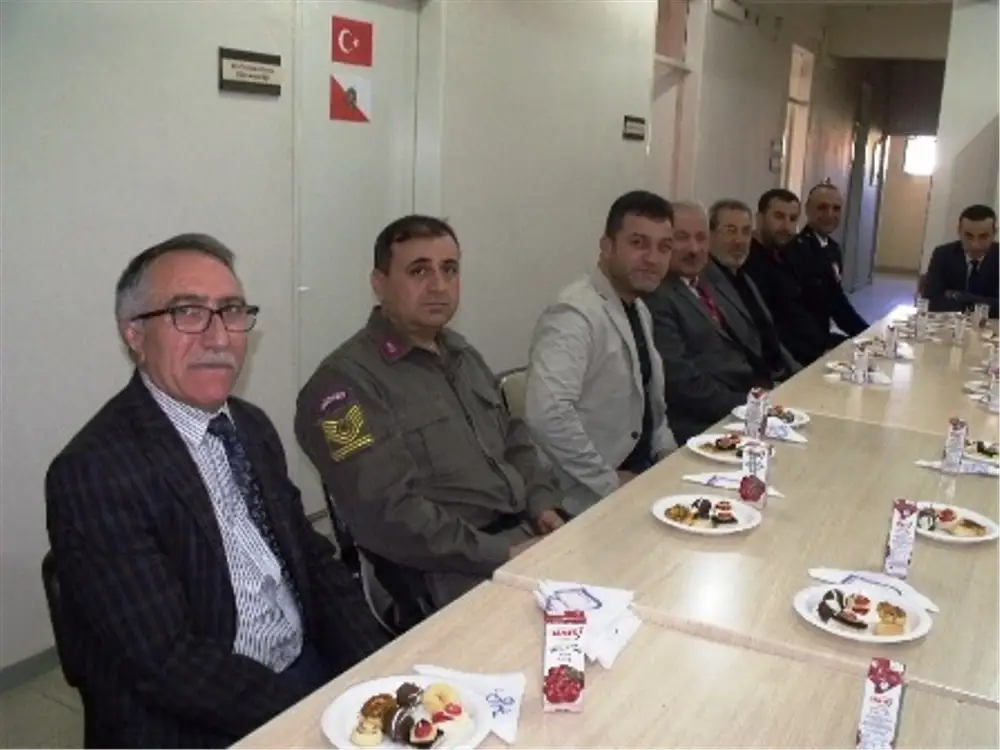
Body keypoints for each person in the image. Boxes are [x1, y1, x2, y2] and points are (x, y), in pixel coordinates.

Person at [45, 235, 387, 750]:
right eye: (187, 312)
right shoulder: (94, 471)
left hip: (303, 665)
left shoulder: (250, 425)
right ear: (134, 333)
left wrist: (379, 667)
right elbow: (165, 662)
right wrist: (312, 717)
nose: (219, 337)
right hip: (196, 718)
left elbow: (311, 560)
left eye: (230, 311)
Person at [295, 216, 564, 622]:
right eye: (419, 271)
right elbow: (387, 514)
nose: (439, 285)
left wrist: (544, 506)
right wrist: (504, 553)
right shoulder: (343, 386)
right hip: (447, 574)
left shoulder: (462, 355)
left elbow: (515, 441)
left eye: (449, 270)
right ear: (379, 282)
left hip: (526, 538)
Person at [524, 191, 678, 516]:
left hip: (643, 476)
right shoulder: (573, 313)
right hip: (586, 496)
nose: (653, 258)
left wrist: (669, 458)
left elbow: (653, 408)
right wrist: (609, 481)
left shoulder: (639, 309)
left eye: (664, 247)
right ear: (607, 246)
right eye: (638, 243)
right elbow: (548, 414)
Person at [645, 202, 779, 442]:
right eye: (682, 238)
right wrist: (752, 405)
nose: (694, 248)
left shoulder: (708, 282)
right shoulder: (657, 296)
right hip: (702, 424)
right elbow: (681, 385)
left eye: (701, 238)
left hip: (745, 401)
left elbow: (748, 343)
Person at [743, 188, 868, 366]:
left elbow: (835, 302)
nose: (786, 226)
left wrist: (867, 335)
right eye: (779, 216)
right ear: (760, 218)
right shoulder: (749, 260)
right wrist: (821, 349)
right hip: (782, 358)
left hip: (809, 346)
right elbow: (775, 323)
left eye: (792, 219)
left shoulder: (790, 253)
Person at [707, 198, 800, 380]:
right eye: (730, 230)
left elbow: (771, 337)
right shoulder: (703, 284)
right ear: (710, 234)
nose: (740, 241)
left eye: (746, 232)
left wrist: (800, 374)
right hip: (753, 385)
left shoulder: (745, 278)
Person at [923, 204, 1000, 316]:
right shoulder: (943, 254)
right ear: (959, 231)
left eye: (983, 237)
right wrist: (982, 303)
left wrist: (960, 296)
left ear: (994, 234)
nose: (975, 245)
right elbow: (931, 302)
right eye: (969, 236)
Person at [802, 182, 845, 279]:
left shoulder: (833, 248)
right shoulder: (797, 251)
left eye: (836, 208)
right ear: (807, 209)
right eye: (822, 207)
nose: (829, 215)